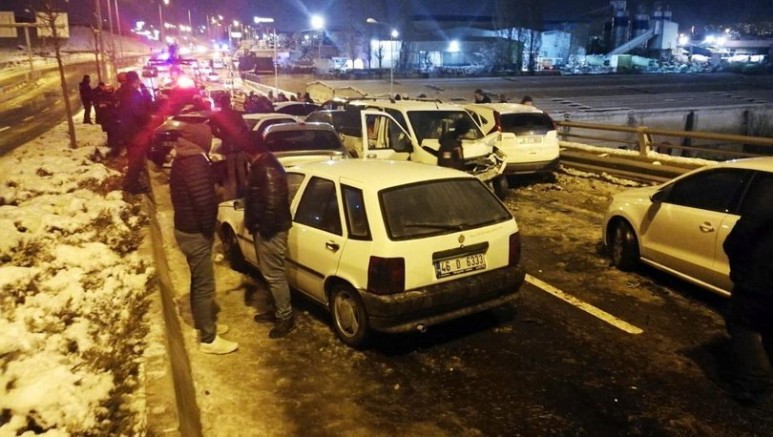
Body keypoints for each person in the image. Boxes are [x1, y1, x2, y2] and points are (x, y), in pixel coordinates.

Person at [170, 123, 238, 355]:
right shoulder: (195, 163)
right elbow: (204, 203)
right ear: (201, 139)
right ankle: (208, 339)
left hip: (185, 228)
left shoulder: (182, 159)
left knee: (198, 281)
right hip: (195, 232)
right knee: (204, 284)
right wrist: (210, 229)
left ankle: (204, 322)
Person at [244, 140, 295, 339]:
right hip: (267, 229)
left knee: (274, 275)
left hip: (271, 231)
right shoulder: (263, 164)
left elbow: (273, 202)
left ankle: (285, 316)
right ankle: (277, 311)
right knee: (269, 274)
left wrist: (263, 228)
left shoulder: (266, 168)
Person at [723, 208, 773, 406]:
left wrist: (740, 271)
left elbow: (740, 236)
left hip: (761, 280)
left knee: (740, 322)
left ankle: (755, 380)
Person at [209, 95, 250, 200]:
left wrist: (221, 135)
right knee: (241, 171)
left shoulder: (219, 115)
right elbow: (245, 128)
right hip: (239, 146)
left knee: (231, 173)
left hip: (228, 146)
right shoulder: (235, 114)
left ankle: (234, 195)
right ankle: (244, 194)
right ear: (228, 102)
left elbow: (212, 127)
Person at [119, 71, 153, 194]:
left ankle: (129, 183)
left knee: (133, 159)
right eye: (138, 80)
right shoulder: (133, 93)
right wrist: (149, 119)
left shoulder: (122, 91)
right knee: (136, 160)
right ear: (135, 80)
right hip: (136, 132)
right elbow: (139, 113)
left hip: (127, 130)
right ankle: (131, 186)